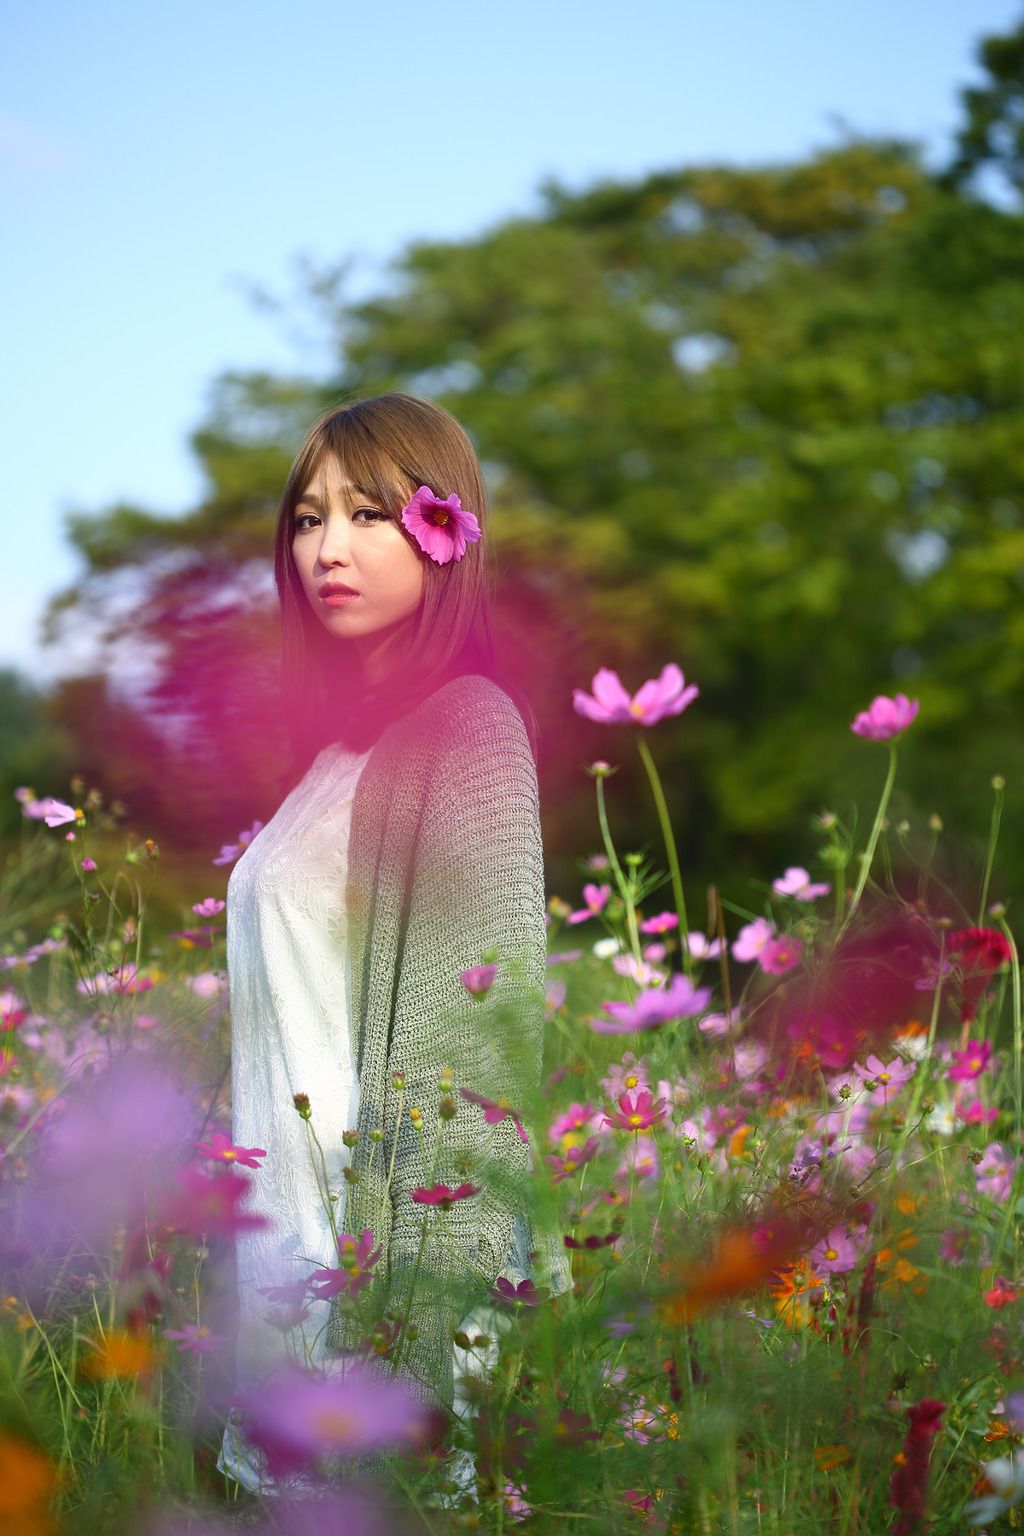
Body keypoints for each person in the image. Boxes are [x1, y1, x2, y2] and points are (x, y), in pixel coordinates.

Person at [216, 392, 570, 1495]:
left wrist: (412, 1330)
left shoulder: (467, 730)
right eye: (308, 518)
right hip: (289, 1272)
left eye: (368, 515)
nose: (328, 547)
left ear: (443, 533)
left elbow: (471, 1061)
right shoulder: (334, 756)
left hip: (380, 1283)